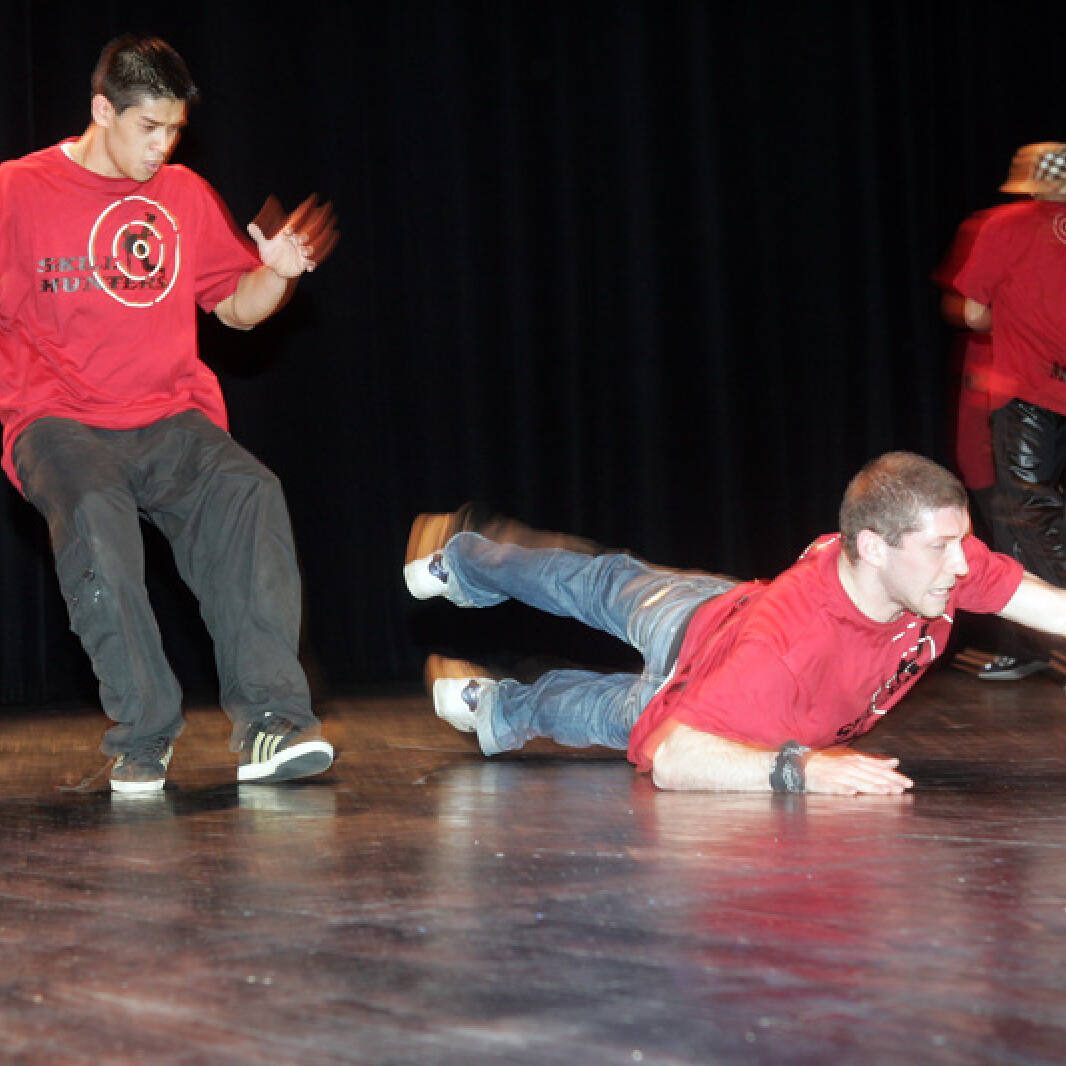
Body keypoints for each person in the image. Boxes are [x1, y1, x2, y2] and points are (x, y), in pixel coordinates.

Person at [0, 34, 338, 793]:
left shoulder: (182, 195)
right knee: (94, 512)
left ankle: (272, 723)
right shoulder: (16, 192)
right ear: (102, 111)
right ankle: (143, 735)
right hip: (58, 417)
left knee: (249, 491)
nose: (162, 147)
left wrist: (277, 275)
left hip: (168, 415)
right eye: (147, 128)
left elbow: (237, 310)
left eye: (174, 130)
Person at [403, 452, 1066, 794]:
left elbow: (1039, 601)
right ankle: (464, 562)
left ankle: (497, 707)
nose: (962, 566)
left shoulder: (933, 564)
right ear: (871, 547)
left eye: (961, 543)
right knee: (594, 588)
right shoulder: (786, 646)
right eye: (942, 548)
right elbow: (674, 759)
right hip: (700, 632)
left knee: (607, 705)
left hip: (729, 647)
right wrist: (803, 773)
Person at [943, 143, 1066, 681]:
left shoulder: (1005, 225)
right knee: (1028, 515)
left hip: (1028, 391)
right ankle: (1032, 643)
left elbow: (973, 312)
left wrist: (1014, 314)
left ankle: (1044, 635)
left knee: (1026, 513)